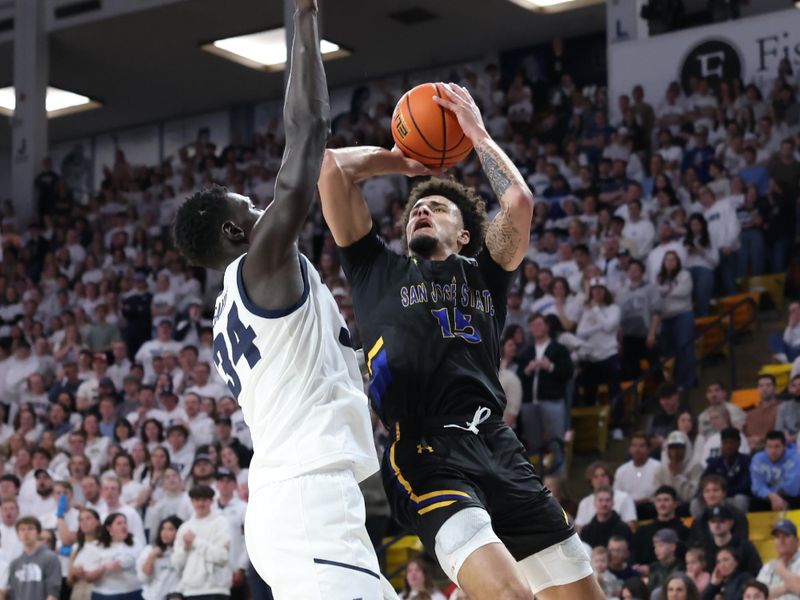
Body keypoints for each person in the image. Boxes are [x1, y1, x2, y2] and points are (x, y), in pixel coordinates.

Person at [319, 83, 599, 596]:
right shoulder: (374, 270)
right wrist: (406, 164)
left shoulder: (486, 275)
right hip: (427, 450)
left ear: (465, 234)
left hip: (497, 444)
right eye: (415, 210)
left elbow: (517, 199)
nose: (421, 210)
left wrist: (476, 133)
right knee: (510, 594)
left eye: (436, 207)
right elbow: (331, 166)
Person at [171, 2, 387, 598]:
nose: (268, 214)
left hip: (288, 500)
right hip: (307, 494)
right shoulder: (260, 265)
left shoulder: (229, 311)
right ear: (239, 234)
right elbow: (309, 136)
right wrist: (305, 20)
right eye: (255, 211)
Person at [515, 314, 573, 454]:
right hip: (529, 402)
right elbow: (518, 377)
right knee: (533, 443)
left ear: (546, 326)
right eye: (533, 325)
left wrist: (550, 367)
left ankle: (559, 473)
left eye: (539, 324)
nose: (536, 328)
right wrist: (528, 370)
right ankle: (537, 474)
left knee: (556, 440)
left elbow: (568, 372)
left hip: (552, 400)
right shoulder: (526, 352)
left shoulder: (559, 349)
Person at [575, 277, 623, 438]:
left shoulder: (613, 309)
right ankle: (592, 430)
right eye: (594, 290)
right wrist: (598, 326)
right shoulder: (587, 311)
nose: (597, 292)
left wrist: (596, 312)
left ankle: (617, 426)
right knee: (589, 393)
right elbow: (581, 332)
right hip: (592, 359)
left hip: (609, 355)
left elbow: (610, 327)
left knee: (614, 391)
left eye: (600, 289)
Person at [171, 486, 231, 600]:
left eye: (204, 500)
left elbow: (222, 556)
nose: (200, 504)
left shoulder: (221, 523)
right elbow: (177, 564)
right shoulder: (185, 528)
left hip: (216, 589)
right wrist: (185, 549)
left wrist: (196, 541)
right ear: (192, 502)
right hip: (190, 591)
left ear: (212, 501)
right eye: (197, 500)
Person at [656, 250, 695, 390]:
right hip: (666, 318)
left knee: (685, 348)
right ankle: (674, 382)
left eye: (673, 259)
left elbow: (682, 292)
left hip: (682, 314)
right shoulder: (659, 277)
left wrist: (665, 292)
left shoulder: (684, 275)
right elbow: (656, 295)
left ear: (678, 261)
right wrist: (668, 290)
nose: (670, 262)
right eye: (667, 259)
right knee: (670, 353)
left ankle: (688, 381)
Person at [86, 513, 142, 600]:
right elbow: (89, 578)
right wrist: (104, 567)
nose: (124, 526)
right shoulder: (96, 546)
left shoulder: (135, 543)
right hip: (106, 594)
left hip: (134, 592)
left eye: (125, 523)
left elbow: (139, 564)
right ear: (109, 528)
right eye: (119, 523)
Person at [697, 505, 762, 577]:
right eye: (713, 521)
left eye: (721, 521)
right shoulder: (705, 549)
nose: (717, 525)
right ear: (708, 524)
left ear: (731, 523)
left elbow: (757, 571)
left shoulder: (745, 546)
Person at [5, 517, 62, 600]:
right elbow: (13, 593)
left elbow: (53, 592)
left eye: (30, 529)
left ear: (38, 533)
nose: (26, 533)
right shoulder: (15, 564)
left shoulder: (50, 558)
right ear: (18, 535)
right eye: (22, 529)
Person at [631, 485, 690, 565]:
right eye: (658, 500)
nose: (662, 504)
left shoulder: (684, 531)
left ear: (675, 504)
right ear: (655, 504)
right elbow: (634, 557)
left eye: (666, 500)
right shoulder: (643, 531)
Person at [700, 428, 751, 514]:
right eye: (725, 442)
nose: (728, 446)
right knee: (696, 503)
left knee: (740, 499)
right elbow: (704, 481)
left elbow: (745, 486)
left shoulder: (746, 461)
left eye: (732, 442)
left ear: (738, 444)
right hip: (715, 497)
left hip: (733, 498)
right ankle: (701, 525)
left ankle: (740, 525)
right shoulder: (715, 462)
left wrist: (722, 493)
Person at [575, 462, 637, 533]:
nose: (600, 480)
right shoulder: (584, 502)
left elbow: (631, 525)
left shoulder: (624, 497)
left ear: (610, 478)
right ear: (590, 481)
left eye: (603, 475)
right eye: (595, 477)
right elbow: (579, 528)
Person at [750, 430, 800, 511]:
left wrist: (776, 496)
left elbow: (792, 487)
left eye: (777, 446)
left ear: (784, 446)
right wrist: (772, 496)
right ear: (765, 447)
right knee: (754, 503)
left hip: (789, 497)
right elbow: (757, 486)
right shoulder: (758, 459)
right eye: (769, 447)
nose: (773, 451)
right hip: (767, 496)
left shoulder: (795, 459)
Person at [614, 432, 660, 519]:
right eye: (634, 446)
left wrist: (647, 500)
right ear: (630, 449)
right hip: (628, 509)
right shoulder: (621, 471)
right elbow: (617, 496)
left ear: (648, 449)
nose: (637, 449)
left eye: (641, 446)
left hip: (652, 508)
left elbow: (662, 492)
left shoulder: (658, 467)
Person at [136, 516, 181, 600]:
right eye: (163, 529)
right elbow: (143, 578)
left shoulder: (182, 551)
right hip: (152, 596)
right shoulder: (149, 550)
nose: (165, 533)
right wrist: (151, 557)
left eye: (170, 529)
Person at [653, 431, 703, 505]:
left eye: (679, 448)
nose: (675, 452)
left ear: (686, 448)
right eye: (672, 448)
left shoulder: (696, 467)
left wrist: (677, 476)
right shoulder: (661, 469)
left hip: (687, 509)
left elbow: (691, 496)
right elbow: (656, 495)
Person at [756, 518, 800, 598]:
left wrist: (781, 570)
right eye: (777, 537)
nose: (781, 540)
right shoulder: (768, 567)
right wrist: (787, 586)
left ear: (797, 541)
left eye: (786, 536)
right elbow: (757, 597)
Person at [744, 376, 781, 449]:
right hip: (751, 448)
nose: (764, 389)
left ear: (775, 388)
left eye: (768, 385)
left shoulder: (782, 408)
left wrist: (761, 438)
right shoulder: (750, 413)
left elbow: (781, 432)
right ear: (757, 389)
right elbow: (745, 434)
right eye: (761, 386)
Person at [647, 529, 685, 594]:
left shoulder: (680, 567)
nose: (656, 549)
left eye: (660, 545)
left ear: (673, 547)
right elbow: (650, 589)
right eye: (655, 546)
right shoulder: (654, 567)